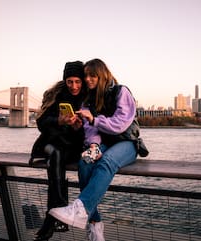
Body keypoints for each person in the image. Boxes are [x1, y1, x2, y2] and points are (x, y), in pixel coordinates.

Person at [49, 58, 148, 241]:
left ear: (102, 75)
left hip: (127, 142)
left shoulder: (121, 91)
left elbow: (120, 124)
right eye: (85, 75)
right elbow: (90, 129)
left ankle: (79, 209)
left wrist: (94, 119)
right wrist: (93, 144)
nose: (87, 79)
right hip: (105, 143)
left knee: (107, 162)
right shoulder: (88, 100)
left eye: (92, 75)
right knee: (85, 161)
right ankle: (95, 226)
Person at [29, 61, 86, 241]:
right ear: (65, 80)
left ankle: (51, 217)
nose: (74, 86)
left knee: (58, 158)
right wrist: (59, 122)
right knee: (56, 154)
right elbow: (41, 123)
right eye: (70, 81)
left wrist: (78, 127)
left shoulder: (88, 97)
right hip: (48, 144)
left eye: (77, 81)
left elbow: (93, 129)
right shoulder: (55, 95)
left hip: (70, 146)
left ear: (83, 81)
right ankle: (60, 208)